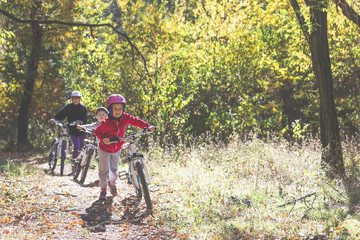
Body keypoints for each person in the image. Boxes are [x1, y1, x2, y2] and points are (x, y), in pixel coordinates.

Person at [94, 94, 155, 200]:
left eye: (120, 109)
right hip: (105, 149)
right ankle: (103, 190)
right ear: (110, 110)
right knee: (103, 170)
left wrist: (146, 126)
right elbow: (97, 131)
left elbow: (135, 121)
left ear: (123, 109)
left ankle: (112, 183)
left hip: (117, 148)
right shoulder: (106, 122)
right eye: (115, 109)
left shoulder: (125, 117)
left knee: (114, 169)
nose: (118, 111)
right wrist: (104, 139)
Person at [51, 91, 88, 166]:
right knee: (77, 146)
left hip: (81, 130)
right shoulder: (68, 107)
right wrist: (54, 119)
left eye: (77, 98)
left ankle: (78, 164)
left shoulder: (83, 108)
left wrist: (80, 122)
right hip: (72, 130)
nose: (76, 100)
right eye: (74, 98)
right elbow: (61, 114)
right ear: (71, 99)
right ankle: (73, 163)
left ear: (80, 99)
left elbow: (85, 119)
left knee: (81, 149)